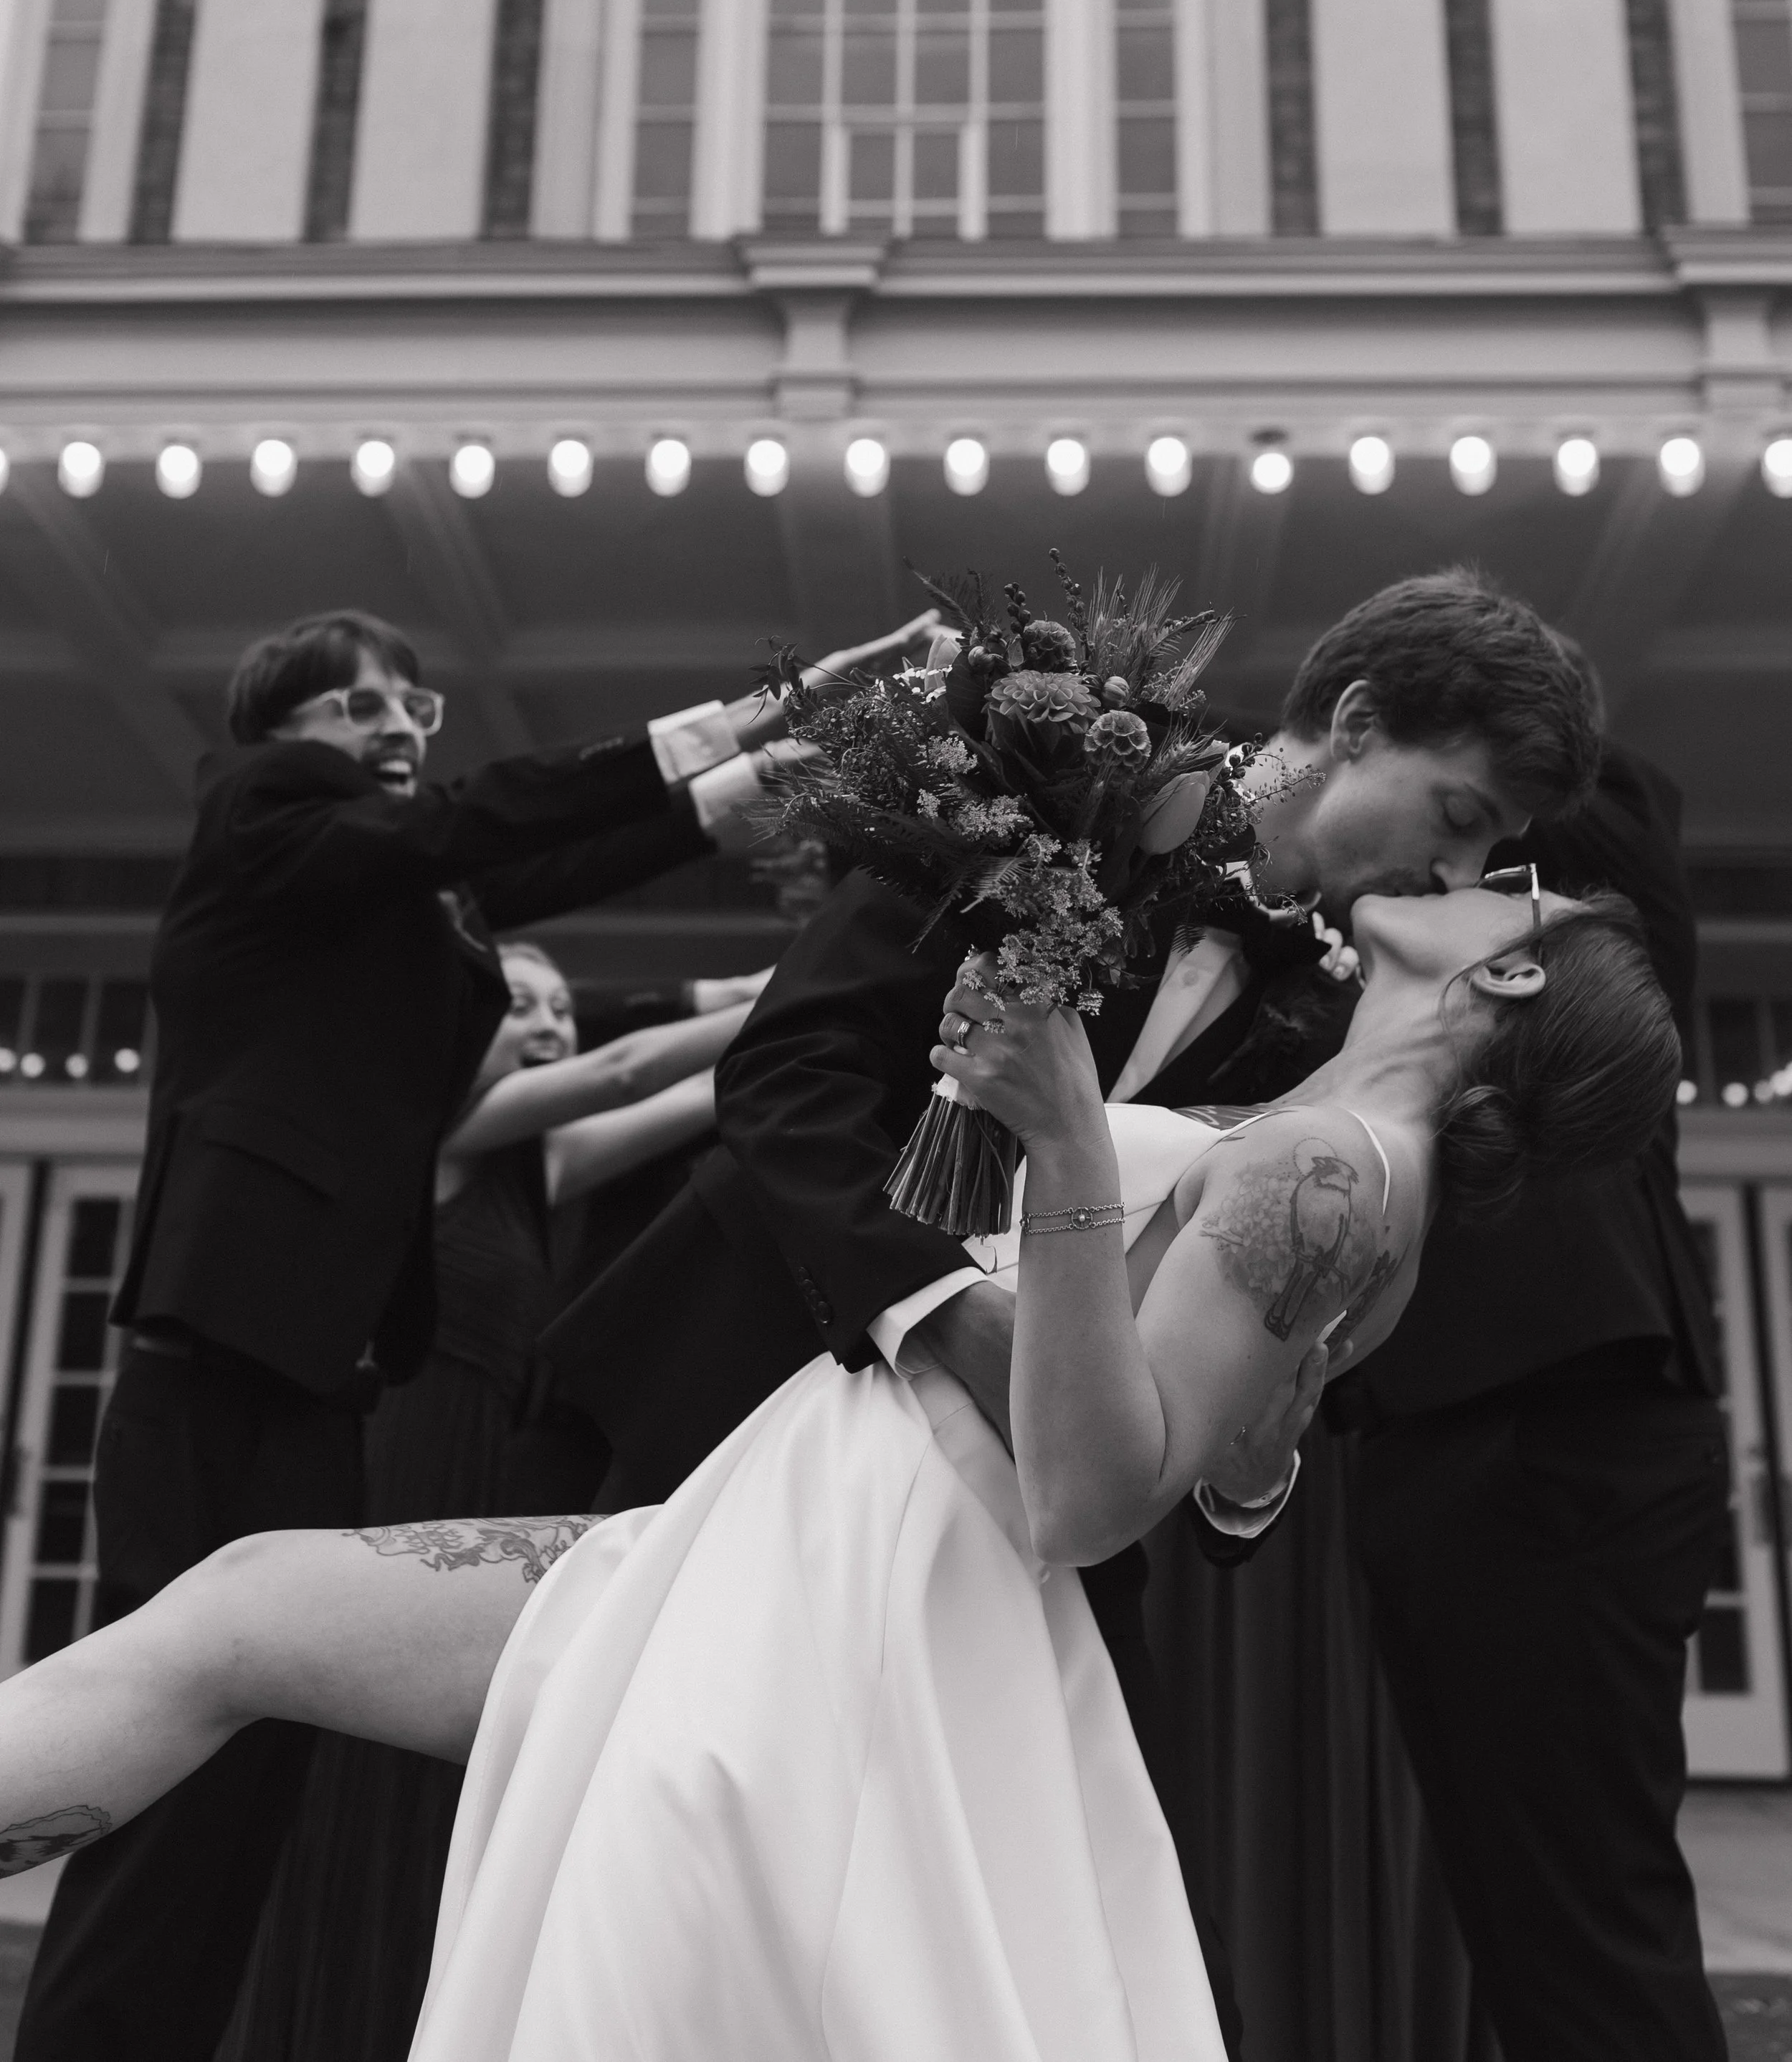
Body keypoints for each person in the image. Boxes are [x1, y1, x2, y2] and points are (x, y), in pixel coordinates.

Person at [0, 874, 1681, 2062]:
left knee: (249, 1625)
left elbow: (1091, 1494)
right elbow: (1221, 1456)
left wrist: (1070, 1136)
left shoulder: (1325, 1162)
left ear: (1512, 976)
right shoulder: (1342, 1163)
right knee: (239, 1613)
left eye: (1506, 889)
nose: (1467, 871)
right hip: (802, 1527)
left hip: (869, 1596)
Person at [540, 566, 1600, 2055]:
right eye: (1455, 818)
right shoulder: (1053, 767)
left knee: (1089, 1951)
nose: (1454, 873)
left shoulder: (1340, 1023)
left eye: (1487, 851)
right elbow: (787, 1077)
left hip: (1021, 1519)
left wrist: (1246, 1465)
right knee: (651, 1870)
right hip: (729, 1393)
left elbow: (1253, 1390)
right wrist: (949, 1322)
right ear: (1353, 723)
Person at [15, 601, 933, 2062]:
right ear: (280, 742)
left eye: (408, 703)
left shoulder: (393, 901)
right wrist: (751, 710)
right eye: (349, 706)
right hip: (221, 1337)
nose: (389, 724)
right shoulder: (259, 806)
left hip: (321, 1363)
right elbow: (479, 827)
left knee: (249, 1767)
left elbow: (556, 873)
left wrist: (801, 756)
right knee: (172, 1751)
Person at [225, 939, 761, 2062]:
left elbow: (727, 1094)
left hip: (487, 1474)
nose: (551, 1024)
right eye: (520, 1005)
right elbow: (630, 1072)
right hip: (406, 1452)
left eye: (564, 1007)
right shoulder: (439, 1133)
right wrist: (806, 979)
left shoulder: (544, 1161)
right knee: (368, 1743)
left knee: (449, 1762)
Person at [1334, 730, 1728, 2061]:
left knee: (1585, 1928)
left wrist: (1433, 707)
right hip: (1450, 1449)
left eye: (1483, 841)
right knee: (1519, 1921)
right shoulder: (1394, 994)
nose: (1452, 865)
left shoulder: (1594, 948)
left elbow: (1579, 770)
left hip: (1567, 1440)